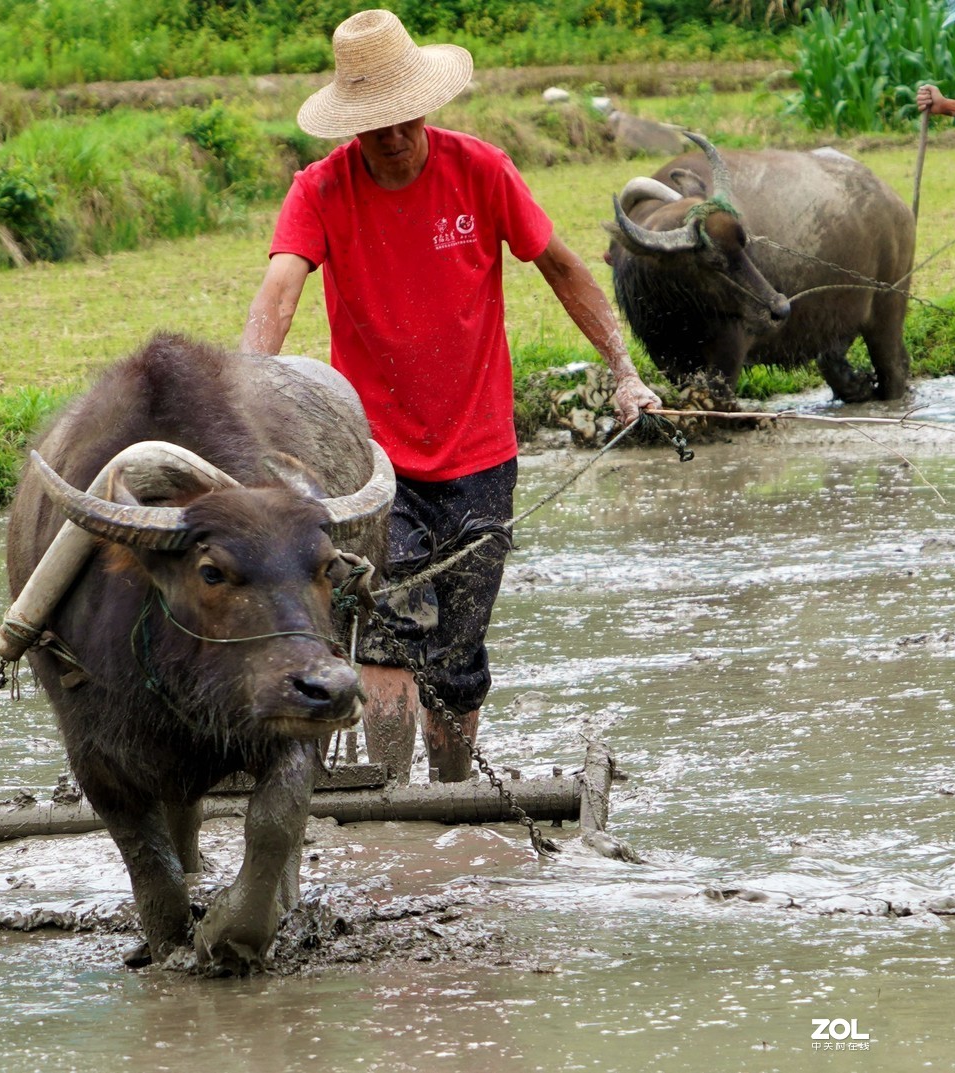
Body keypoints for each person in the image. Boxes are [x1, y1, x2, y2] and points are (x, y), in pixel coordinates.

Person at [240, 8, 660, 783]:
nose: (393, 137)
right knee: (391, 637)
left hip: (479, 457)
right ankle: (390, 803)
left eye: (403, 119)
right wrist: (242, 403)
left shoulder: (481, 171)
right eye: (374, 126)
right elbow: (280, 290)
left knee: (460, 657)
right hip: (374, 463)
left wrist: (623, 368)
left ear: (424, 105)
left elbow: (564, 269)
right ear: (349, 126)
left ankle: (450, 798)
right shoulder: (320, 191)